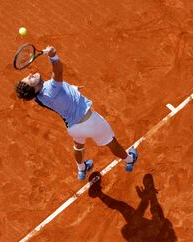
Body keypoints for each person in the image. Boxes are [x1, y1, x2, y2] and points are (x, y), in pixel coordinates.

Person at [15, 45, 138, 181]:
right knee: (111, 142)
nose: (30, 74)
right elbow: (58, 74)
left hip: (74, 128)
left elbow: (61, 94)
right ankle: (130, 159)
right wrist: (53, 56)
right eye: (30, 79)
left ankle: (81, 169)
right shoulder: (49, 89)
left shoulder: (40, 98)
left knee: (78, 146)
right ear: (35, 88)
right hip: (91, 122)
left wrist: (72, 89)